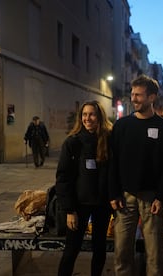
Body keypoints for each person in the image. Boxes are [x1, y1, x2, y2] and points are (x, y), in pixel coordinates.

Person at [108, 74, 163, 276]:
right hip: (124, 197)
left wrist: (161, 197)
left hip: (151, 198)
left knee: (155, 255)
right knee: (121, 252)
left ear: (152, 97)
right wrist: (113, 193)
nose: (134, 99)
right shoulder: (121, 126)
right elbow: (113, 162)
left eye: (139, 95)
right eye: (132, 94)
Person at [56, 101, 113, 276]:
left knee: (99, 248)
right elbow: (63, 178)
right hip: (79, 205)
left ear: (100, 117)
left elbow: (113, 173)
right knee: (71, 250)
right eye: (84, 115)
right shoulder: (73, 143)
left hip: (102, 204)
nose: (87, 118)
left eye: (92, 114)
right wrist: (69, 210)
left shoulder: (109, 140)